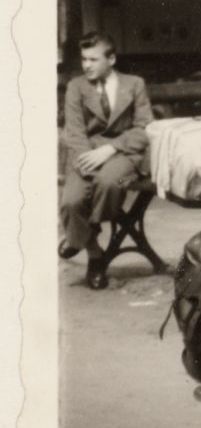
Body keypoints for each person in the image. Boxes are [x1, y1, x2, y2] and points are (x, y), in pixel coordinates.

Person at [59, 32, 155, 289]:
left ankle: (84, 244)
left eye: (93, 59)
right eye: (84, 59)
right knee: (71, 202)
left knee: (110, 183)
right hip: (86, 155)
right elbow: (74, 133)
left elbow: (145, 127)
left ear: (111, 59)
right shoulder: (76, 87)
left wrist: (112, 148)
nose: (86, 65)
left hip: (124, 154)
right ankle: (93, 248)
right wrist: (88, 162)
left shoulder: (134, 84)